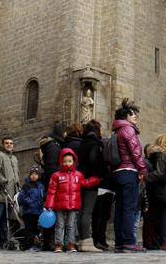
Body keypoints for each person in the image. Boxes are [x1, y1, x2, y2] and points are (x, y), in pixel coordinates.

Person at [45, 148, 101, 253]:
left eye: (69, 161)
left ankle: (70, 244)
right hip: (59, 205)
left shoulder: (78, 175)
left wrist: (96, 179)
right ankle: (58, 244)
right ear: (61, 161)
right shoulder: (56, 175)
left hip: (73, 205)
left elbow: (85, 183)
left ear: (74, 162)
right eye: (65, 161)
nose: (67, 163)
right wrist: (49, 204)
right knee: (60, 225)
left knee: (71, 225)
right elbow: (51, 191)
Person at [112, 99, 147, 253]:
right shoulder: (128, 129)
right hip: (129, 171)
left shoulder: (117, 130)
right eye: (133, 114)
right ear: (126, 116)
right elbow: (136, 152)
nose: (135, 117)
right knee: (128, 208)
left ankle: (120, 242)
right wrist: (142, 170)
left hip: (118, 172)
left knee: (120, 208)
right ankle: (128, 242)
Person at [75, 120, 105, 252]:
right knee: (87, 211)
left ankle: (82, 240)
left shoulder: (82, 143)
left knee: (82, 212)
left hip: (81, 178)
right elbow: (94, 161)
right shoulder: (94, 144)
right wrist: (101, 173)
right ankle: (87, 241)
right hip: (91, 179)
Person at [0, 137, 20, 250]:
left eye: (11, 143)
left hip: (11, 195)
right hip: (1, 192)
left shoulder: (14, 158)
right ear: (2, 144)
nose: (9, 145)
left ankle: (3, 240)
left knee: (5, 219)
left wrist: (17, 188)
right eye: (7, 143)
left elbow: (16, 175)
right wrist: (3, 181)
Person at [144, 134, 166, 251]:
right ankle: (163, 240)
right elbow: (160, 173)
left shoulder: (159, 155)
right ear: (163, 143)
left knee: (163, 217)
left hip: (159, 190)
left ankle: (163, 240)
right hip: (160, 190)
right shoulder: (159, 155)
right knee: (163, 217)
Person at [37, 123, 64, 251]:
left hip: (49, 183)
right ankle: (48, 242)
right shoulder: (54, 146)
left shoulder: (51, 144)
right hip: (52, 184)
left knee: (49, 211)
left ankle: (48, 241)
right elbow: (52, 168)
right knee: (50, 212)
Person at [17, 165, 45, 251]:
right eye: (32, 174)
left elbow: (43, 196)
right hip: (29, 211)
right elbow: (21, 197)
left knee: (36, 229)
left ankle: (34, 245)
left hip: (38, 211)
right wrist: (31, 202)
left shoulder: (41, 186)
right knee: (29, 229)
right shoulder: (26, 185)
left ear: (39, 175)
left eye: (36, 174)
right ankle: (28, 245)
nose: (34, 176)